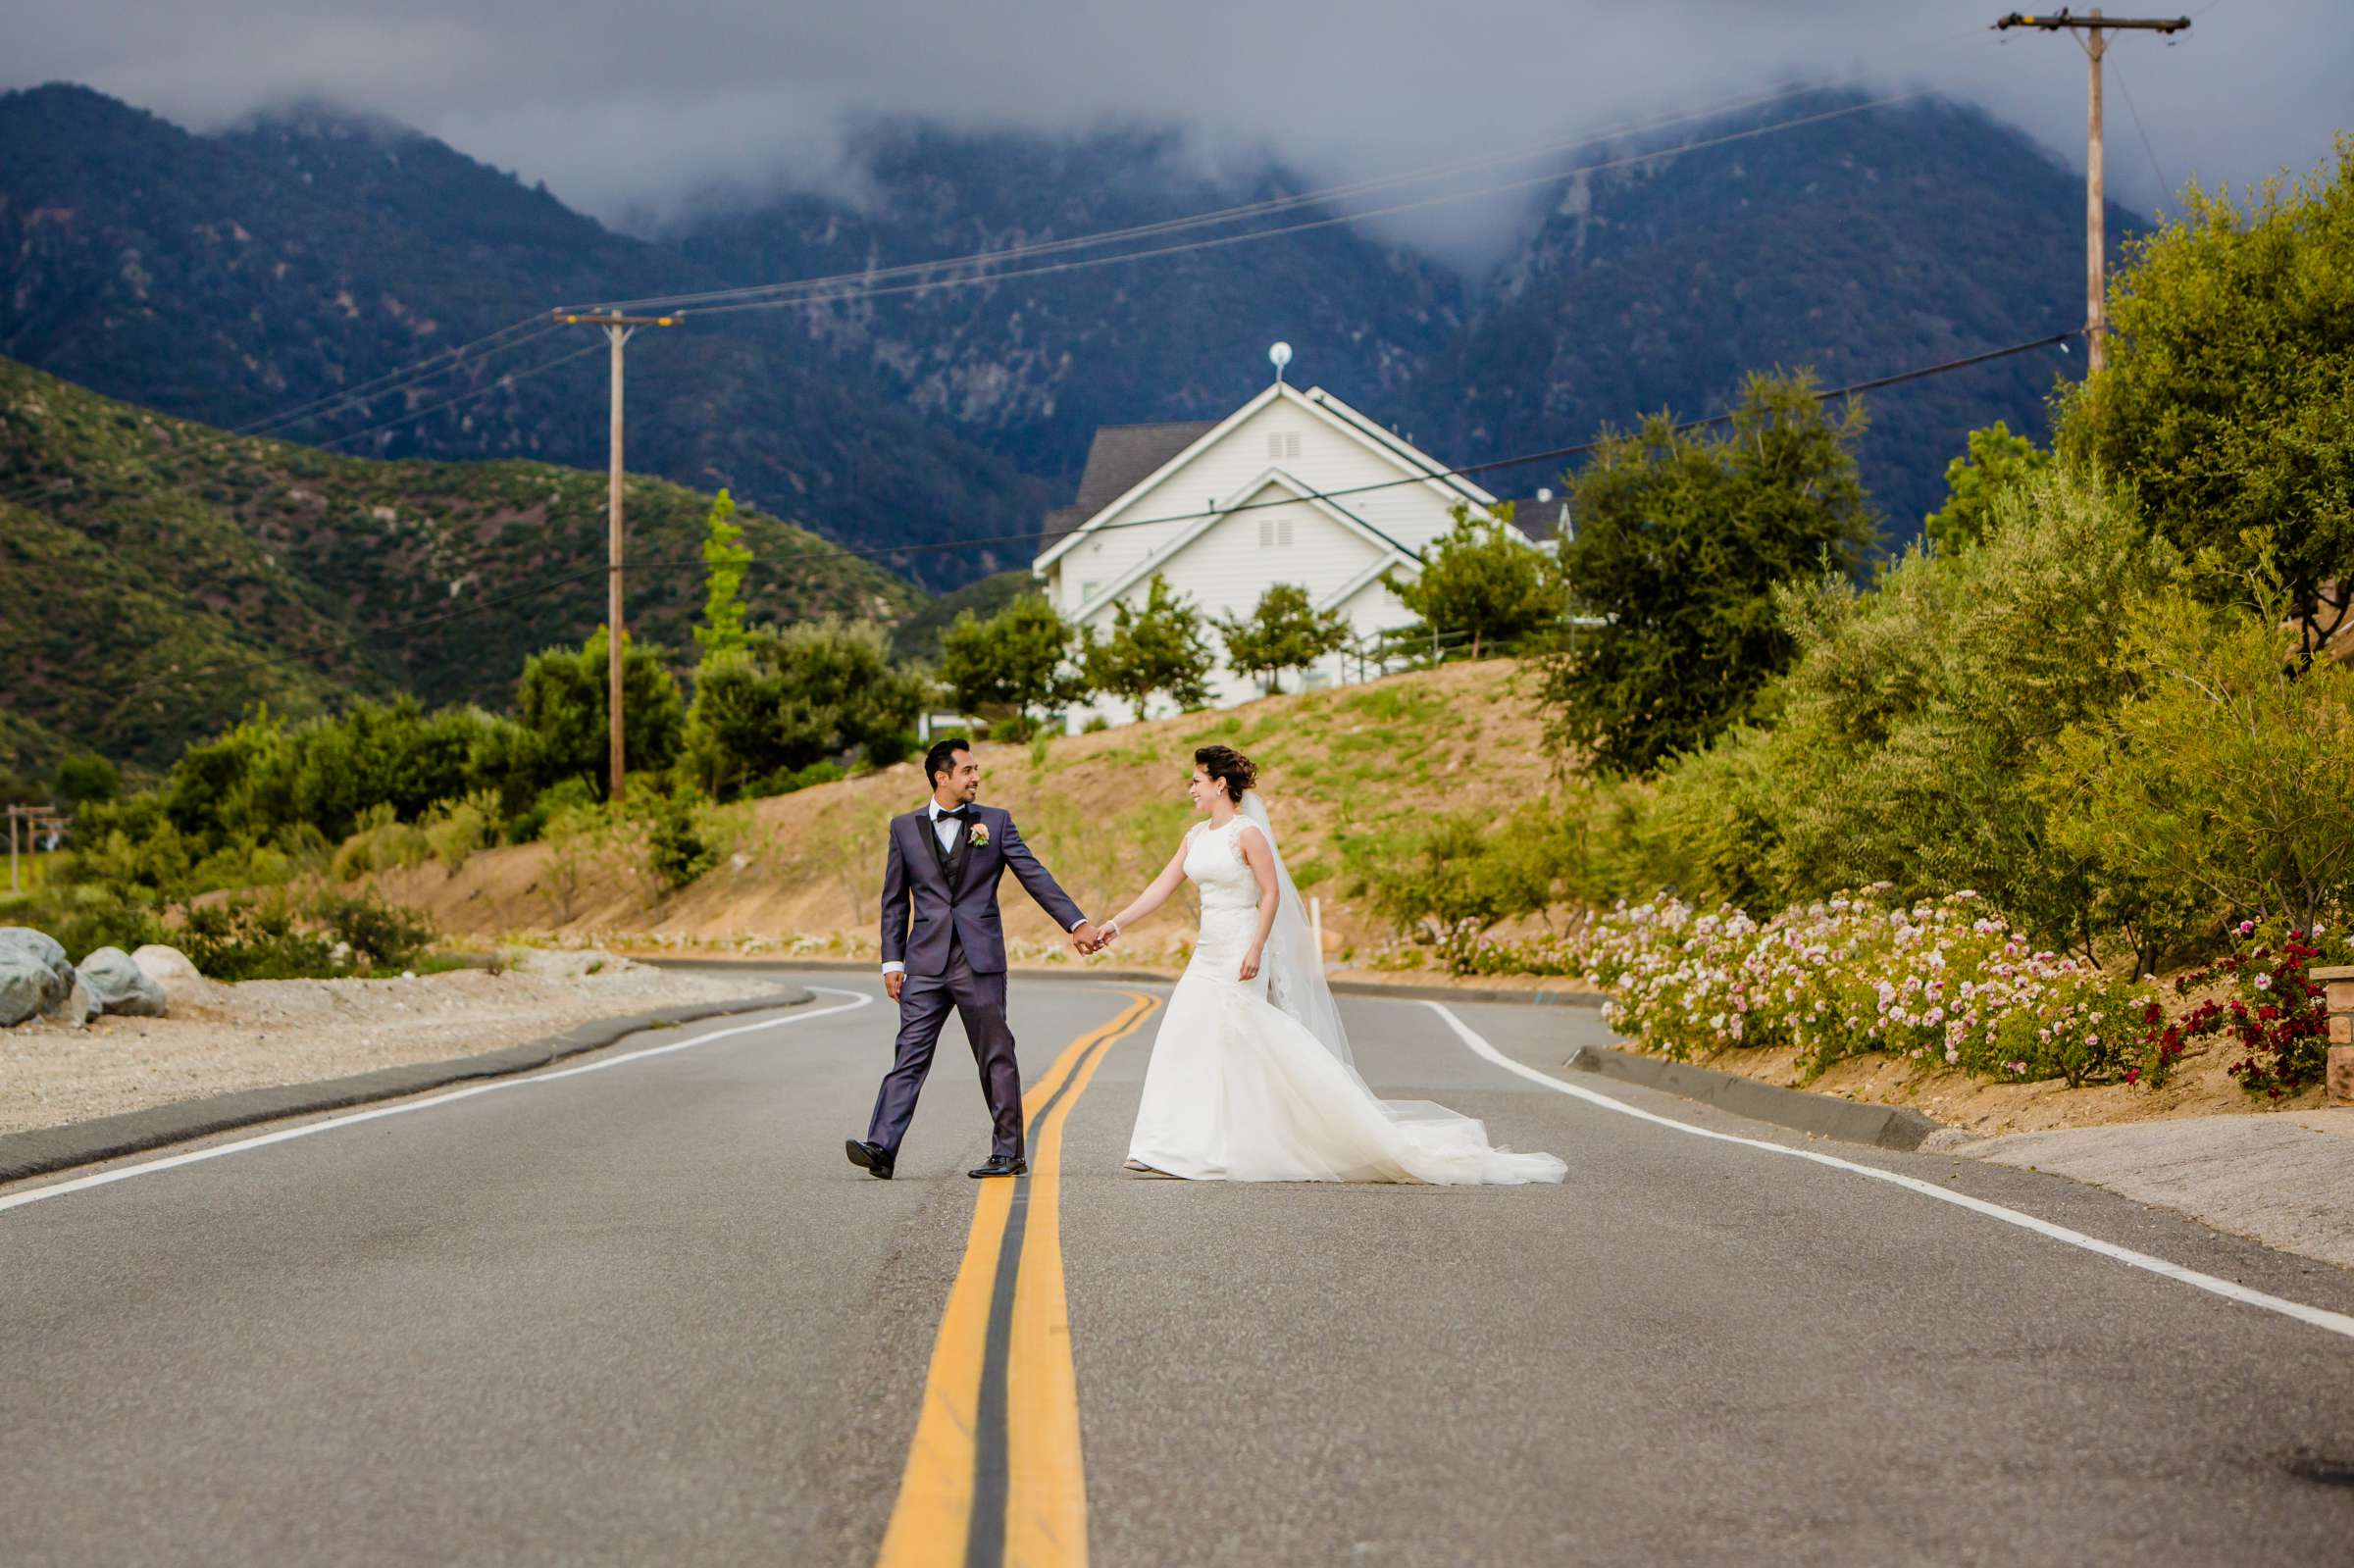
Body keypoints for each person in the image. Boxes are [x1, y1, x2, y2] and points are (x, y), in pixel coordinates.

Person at [1089, 744, 1565, 1186]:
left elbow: (1272, 893)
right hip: (1206, 952)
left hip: (1239, 948)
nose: (1190, 788)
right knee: (1182, 1038)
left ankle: (1238, 1143)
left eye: (1196, 780)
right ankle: (1163, 1145)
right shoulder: (1194, 837)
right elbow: (1160, 887)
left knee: (1240, 1044)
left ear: (1220, 785)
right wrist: (1116, 924)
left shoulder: (1247, 835)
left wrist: (1256, 948)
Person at [847, 737, 1099, 1181]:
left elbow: (1034, 874)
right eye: (967, 770)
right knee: (909, 1055)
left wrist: (1075, 923)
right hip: (924, 962)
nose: (976, 777)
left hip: (978, 960)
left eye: (976, 770)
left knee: (995, 1055)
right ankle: (882, 1146)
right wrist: (892, 961)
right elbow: (894, 902)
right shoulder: (904, 828)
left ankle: (1008, 1152)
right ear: (942, 777)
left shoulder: (995, 823)